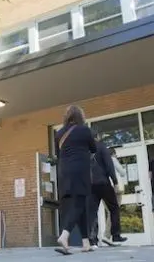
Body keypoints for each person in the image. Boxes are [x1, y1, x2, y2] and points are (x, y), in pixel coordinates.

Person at [54, 105, 97, 255]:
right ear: (80, 117)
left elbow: (58, 153)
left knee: (79, 205)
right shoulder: (84, 130)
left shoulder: (59, 133)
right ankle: (65, 235)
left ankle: (86, 242)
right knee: (79, 203)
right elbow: (94, 149)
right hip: (80, 170)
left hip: (64, 171)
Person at [88, 133, 127, 247]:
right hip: (103, 183)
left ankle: (93, 240)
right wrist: (115, 182)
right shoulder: (101, 147)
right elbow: (109, 165)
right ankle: (115, 236)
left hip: (90, 185)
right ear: (98, 137)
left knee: (92, 212)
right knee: (114, 207)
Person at [103, 147, 126, 241]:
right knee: (114, 211)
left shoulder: (101, 161)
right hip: (116, 189)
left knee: (110, 211)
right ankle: (108, 235)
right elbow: (122, 172)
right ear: (113, 153)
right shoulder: (112, 159)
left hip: (105, 188)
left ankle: (107, 235)